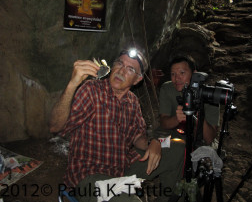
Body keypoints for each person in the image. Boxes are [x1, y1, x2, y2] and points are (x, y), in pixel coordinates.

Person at [49, 48, 185, 202]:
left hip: (121, 166)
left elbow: (137, 136)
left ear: (137, 79)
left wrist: (152, 143)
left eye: (130, 69)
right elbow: (55, 127)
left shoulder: (132, 101)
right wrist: (72, 84)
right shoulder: (92, 90)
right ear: (112, 67)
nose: (121, 70)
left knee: (176, 148)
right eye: (119, 63)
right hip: (89, 176)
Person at [158, 54, 220, 146]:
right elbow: (163, 123)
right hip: (174, 136)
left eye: (182, 73)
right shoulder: (167, 88)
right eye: (173, 74)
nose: (177, 78)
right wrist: (177, 119)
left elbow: (209, 139)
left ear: (194, 74)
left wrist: (197, 116)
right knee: (156, 145)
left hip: (199, 140)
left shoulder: (209, 95)